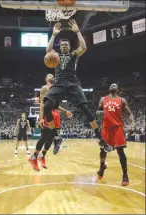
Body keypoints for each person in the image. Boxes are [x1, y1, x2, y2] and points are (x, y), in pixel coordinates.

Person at [43, 19, 113, 153]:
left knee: (86, 110)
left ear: (69, 47)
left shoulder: (73, 54)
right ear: (60, 46)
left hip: (72, 82)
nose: (64, 46)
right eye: (62, 45)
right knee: (46, 107)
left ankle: (101, 140)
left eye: (66, 45)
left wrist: (78, 31)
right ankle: (56, 137)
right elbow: (47, 50)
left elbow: (84, 47)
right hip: (58, 82)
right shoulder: (55, 56)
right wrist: (54, 35)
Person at [28, 74, 73, 171]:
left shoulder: (55, 90)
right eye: (49, 75)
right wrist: (41, 117)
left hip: (56, 114)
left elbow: (56, 105)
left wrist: (65, 111)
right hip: (47, 114)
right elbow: (42, 103)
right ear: (46, 79)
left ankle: (42, 156)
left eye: (52, 75)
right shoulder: (45, 88)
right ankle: (34, 157)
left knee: (51, 138)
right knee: (45, 136)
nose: (51, 76)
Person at [96, 83, 135, 186]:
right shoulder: (103, 99)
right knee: (103, 151)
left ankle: (125, 175)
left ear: (117, 89)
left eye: (115, 85)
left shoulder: (122, 100)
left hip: (117, 128)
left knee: (120, 151)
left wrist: (132, 122)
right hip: (106, 128)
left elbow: (129, 114)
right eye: (111, 85)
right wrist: (99, 113)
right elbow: (97, 111)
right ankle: (102, 167)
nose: (113, 85)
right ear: (109, 89)